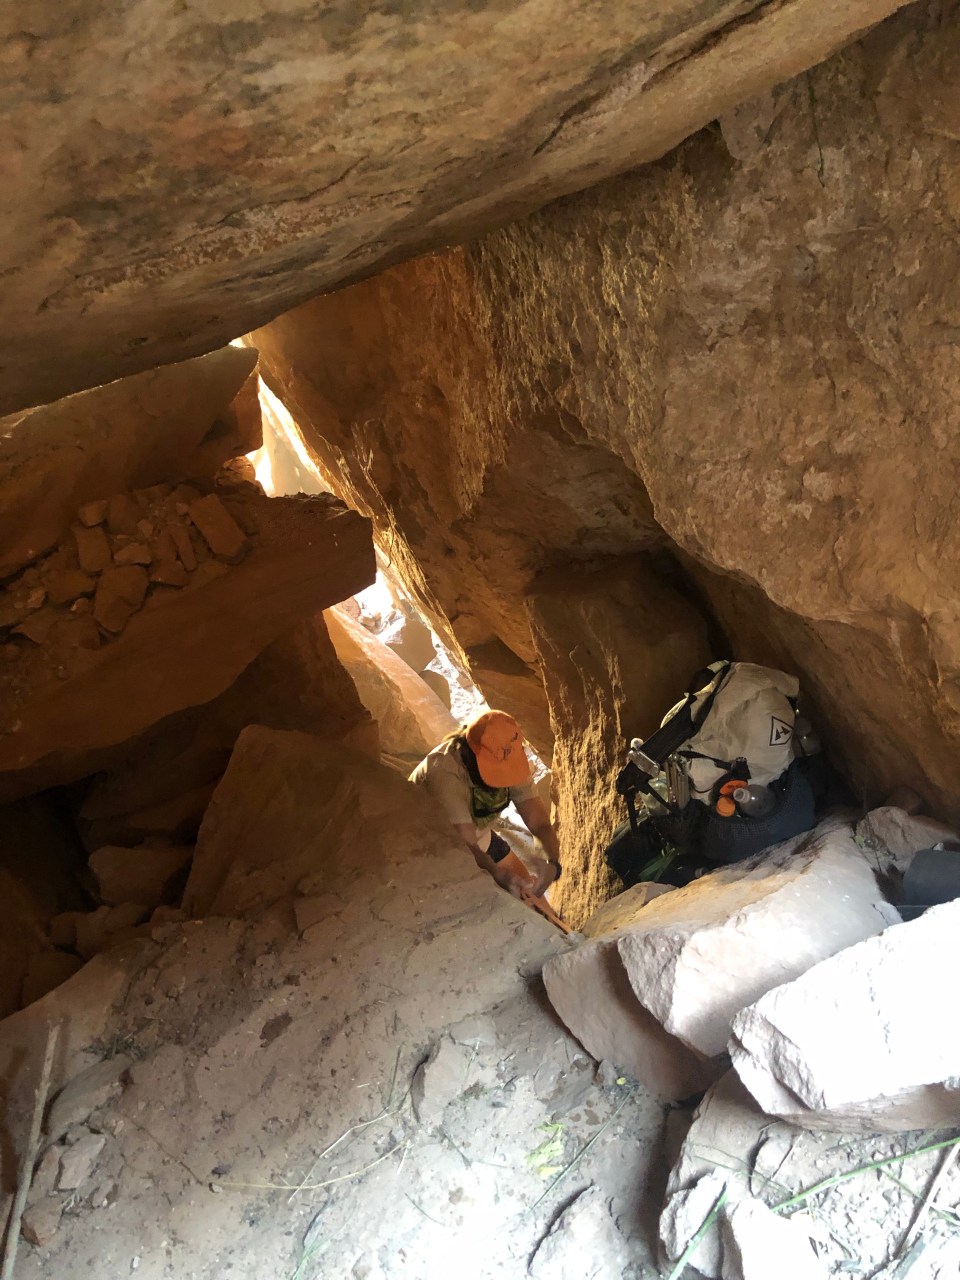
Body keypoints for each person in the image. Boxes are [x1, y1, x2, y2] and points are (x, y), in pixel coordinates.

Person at [409, 710, 562, 899]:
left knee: (533, 898)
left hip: (478, 835)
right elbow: (467, 846)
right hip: (433, 842)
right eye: (496, 773)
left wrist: (551, 861)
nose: (503, 778)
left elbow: (538, 822)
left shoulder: (510, 757)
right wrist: (502, 876)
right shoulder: (443, 773)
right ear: (471, 755)